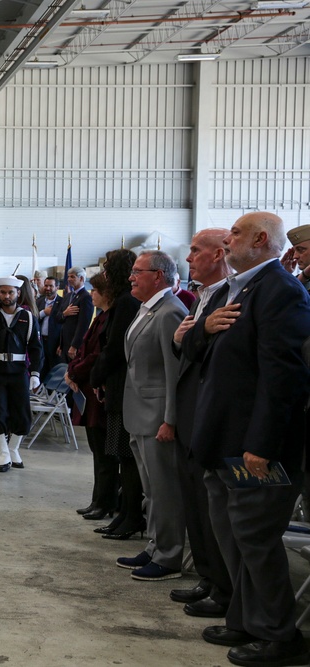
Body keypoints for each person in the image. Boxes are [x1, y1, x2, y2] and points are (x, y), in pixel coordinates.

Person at [182, 212, 310, 666]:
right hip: (224, 441)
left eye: (234, 233)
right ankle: (244, 619)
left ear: (259, 241)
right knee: (234, 537)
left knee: (255, 537)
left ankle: (280, 635)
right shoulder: (242, 290)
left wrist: (262, 445)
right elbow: (205, 355)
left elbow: (283, 379)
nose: (227, 239)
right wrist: (203, 328)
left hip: (254, 449)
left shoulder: (280, 292)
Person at [169, 228, 233, 618]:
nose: (189, 257)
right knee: (194, 502)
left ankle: (224, 588)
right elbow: (191, 345)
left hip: (209, 413)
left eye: (196, 250)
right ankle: (208, 578)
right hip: (190, 409)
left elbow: (212, 351)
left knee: (214, 510)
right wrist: (184, 340)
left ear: (218, 254)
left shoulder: (230, 295)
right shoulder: (204, 296)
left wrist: (190, 339)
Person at [114, 250, 188, 582]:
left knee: (165, 490)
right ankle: (156, 546)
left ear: (158, 276)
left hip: (158, 417)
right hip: (140, 413)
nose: (131, 277)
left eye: (137, 271)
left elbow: (175, 374)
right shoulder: (149, 309)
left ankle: (170, 555)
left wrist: (170, 419)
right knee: (151, 490)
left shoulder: (171, 311)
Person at [89, 249, 145, 540]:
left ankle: (131, 516)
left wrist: (95, 376)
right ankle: (125, 514)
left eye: (108, 266)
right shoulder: (124, 301)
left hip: (122, 386)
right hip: (117, 386)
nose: (105, 271)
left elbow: (115, 348)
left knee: (127, 457)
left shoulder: (125, 303)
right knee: (122, 455)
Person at [0, 275, 43, 472]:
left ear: (18, 293)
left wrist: (36, 373)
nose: (6, 296)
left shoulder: (27, 317)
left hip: (18, 371)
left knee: (21, 413)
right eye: (2, 292)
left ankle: (13, 448)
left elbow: (36, 348)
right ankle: (2, 452)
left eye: (10, 292)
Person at [65, 271, 119, 520]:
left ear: (106, 293)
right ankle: (98, 499)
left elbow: (97, 355)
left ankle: (105, 502)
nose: (91, 295)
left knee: (105, 454)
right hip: (87, 390)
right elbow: (84, 349)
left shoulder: (110, 319)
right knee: (97, 452)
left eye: (95, 291)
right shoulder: (100, 317)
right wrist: (72, 371)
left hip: (98, 394)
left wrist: (74, 371)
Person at [58, 266, 93, 363]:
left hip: (74, 344)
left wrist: (74, 345)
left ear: (81, 278)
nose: (69, 279)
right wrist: (64, 314)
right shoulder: (68, 296)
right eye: (68, 277)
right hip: (65, 344)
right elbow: (58, 318)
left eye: (72, 277)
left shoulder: (85, 297)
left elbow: (83, 325)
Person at [36, 276, 63, 377]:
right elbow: (33, 319)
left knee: (54, 372)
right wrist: (43, 312)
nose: (47, 288)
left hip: (55, 343)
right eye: (46, 285)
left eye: (51, 286)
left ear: (57, 287)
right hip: (40, 341)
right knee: (41, 370)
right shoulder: (38, 302)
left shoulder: (63, 302)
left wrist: (62, 343)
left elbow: (64, 324)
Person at [282, 223, 310, 293]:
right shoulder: (298, 279)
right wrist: (284, 275)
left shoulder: (300, 279)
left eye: (301, 250)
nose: (295, 256)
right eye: (294, 251)